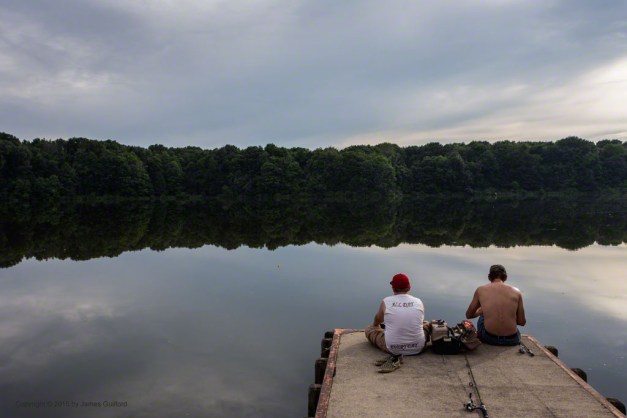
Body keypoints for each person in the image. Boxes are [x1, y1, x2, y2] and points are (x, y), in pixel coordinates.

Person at [365, 273, 429, 373]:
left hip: (392, 348)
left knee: (369, 329)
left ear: (393, 288)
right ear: (409, 287)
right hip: (418, 348)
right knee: (426, 324)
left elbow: (378, 319)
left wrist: (375, 326)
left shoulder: (386, 301)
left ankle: (395, 350)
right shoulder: (418, 301)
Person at [465, 264, 526, 346]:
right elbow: (522, 322)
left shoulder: (480, 290)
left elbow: (469, 315)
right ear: (506, 277)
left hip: (489, 339)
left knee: (483, 315)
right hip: (512, 340)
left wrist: (480, 311)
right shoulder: (517, 292)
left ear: (489, 277)